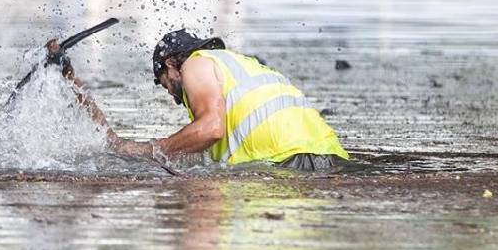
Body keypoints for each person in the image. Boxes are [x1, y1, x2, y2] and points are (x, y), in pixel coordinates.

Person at [66, 29, 350, 171]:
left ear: (169, 66)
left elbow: (211, 128)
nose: (166, 91)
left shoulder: (195, 64)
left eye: (161, 81)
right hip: (326, 157)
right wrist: (71, 79)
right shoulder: (236, 67)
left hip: (291, 163)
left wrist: (157, 149)